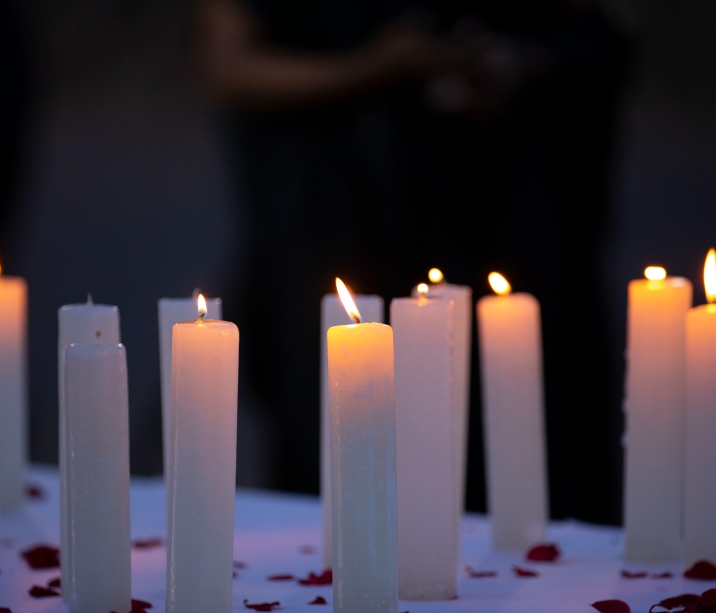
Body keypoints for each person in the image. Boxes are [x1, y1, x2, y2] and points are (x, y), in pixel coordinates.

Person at [197, 0, 630, 525]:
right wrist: (371, 69)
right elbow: (230, 65)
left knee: (508, 436)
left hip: (493, 212)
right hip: (333, 217)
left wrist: (508, 62)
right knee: (341, 442)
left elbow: (592, 36)